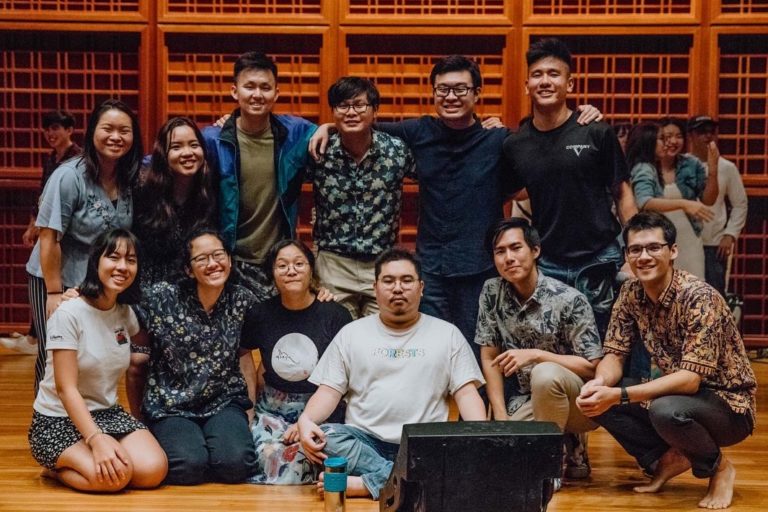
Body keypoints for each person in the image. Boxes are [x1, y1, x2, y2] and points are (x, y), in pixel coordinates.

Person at [310, 55, 602, 362]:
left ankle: (476, 410)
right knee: (427, 351)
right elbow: (361, 123)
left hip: (480, 267)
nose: (451, 97)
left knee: (476, 352)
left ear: (477, 93)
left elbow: (529, 172)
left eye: (461, 89)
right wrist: (328, 126)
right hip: (431, 266)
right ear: (433, 93)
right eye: (443, 90)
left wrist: (581, 113)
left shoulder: (498, 139)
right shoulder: (418, 132)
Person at [576, 211, 756, 510]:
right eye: (635, 249)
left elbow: (690, 380)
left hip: (729, 406)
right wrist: (599, 383)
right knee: (596, 400)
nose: (644, 256)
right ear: (627, 255)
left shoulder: (699, 297)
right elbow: (614, 354)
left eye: (653, 247)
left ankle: (719, 468)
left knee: (664, 409)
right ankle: (670, 457)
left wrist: (619, 394)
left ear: (673, 251)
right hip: (677, 396)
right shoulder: (631, 292)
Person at [297, 248, 486, 501]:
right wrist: (305, 422)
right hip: (365, 443)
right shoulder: (352, 333)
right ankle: (408, 483)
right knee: (328, 437)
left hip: (422, 444)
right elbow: (329, 392)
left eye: (406, 280)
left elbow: (466, 394)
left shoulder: (447, 334)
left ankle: (370, 484)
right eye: (388, 281)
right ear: (375, 287)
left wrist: (482, 437)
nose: (398, 288)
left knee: (459, 449)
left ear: (421, 287)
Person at [502, 38, 637, 340]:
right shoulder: (515, 144)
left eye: (554, 73)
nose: (545, 81)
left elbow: (623, 193)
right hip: (547, 262)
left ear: (570, 84)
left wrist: (633, 251)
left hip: (601, 257)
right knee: (557, 348)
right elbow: (508, 194)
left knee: (613, 344)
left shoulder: (596, 131)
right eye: (537, 74)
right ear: (526, 86)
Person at [28, 228, 167, 492]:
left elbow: (145, 346)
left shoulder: (125, 313)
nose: (122, 266)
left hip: (107, 412)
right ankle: (54, 469)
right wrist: (96, 438)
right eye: (113, 257)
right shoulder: (68, 313)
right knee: (115, 478)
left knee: (152, 471)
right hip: (57, 419)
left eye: (131, 260)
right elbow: (65, 388)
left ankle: (88, 457)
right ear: (96, 262)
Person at [25, 99, 142, 393]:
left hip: (92, 279)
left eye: (124, 131)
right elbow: (48, 236)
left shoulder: (129, 176)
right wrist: (53, 293)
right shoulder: (68, 176)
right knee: (55, 352)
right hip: (53, 278)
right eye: (108, 129)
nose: (116, 137)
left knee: (89, 352)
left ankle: (85, 417)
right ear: (92, 132)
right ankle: (47, 421)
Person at [127, 228, 258, 485]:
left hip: (223, 401)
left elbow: (246, 357)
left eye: (219, 255)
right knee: (187, 467)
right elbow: (118, 301)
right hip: (171, 405)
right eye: (202, 259)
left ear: (230, 260)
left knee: (237, 464)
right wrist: (77, 294)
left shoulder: (243, 300)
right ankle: (196, 447)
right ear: (188, 269)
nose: (213, 264)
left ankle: (212, 446)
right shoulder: (162, 298)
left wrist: (250, 411)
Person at [476, 218, 602, 482]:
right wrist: (499, 416)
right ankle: (565, 440)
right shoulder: (491, 292)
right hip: (527, 400)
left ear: (535, 251)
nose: (509, 258)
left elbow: (593, 367)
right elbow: (489, 355)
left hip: (580, 401)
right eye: (500, 252)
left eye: (516, 248)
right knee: (496, 454)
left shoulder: (569, 299)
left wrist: (537, 355)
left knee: (544, 373)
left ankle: (548, 467)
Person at [203, 52, 316, 301]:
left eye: (265, 88)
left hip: (278, 261)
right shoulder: (213, 139)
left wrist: (329, 127)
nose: (257, 94)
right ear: (235, 92)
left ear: (276, 93)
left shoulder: (295, 133)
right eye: (249, 87)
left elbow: (333, 133)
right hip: (229, 260)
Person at [240, 239, 352, 484]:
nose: (291, 271)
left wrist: (309, 420)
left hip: (321, 407)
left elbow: (344, 374)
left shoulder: (335, 314)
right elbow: (245, 356)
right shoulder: (260, 314)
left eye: (299, 264)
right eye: (282, 265)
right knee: (266, 457)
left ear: (311, 269)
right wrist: (249, 411)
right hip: (273, 410)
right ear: (272, 272)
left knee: (315, 453)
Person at [307, 77, 415, 318]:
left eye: (359, 105)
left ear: (375, 110)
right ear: (333, 112)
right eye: (343, 106)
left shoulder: (396, 151)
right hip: (333, 264)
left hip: (380, 263)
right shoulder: (319, 150)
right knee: (338, 340)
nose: (351, 112)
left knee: (380, 341)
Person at [2, 111, 81, 355]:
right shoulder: (51, 158)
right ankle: (35, 337)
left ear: (69, 130)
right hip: (48, 227)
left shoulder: (76, 159)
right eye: (47, 129)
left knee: (55, 285)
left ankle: (40, 338)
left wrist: (43, 224)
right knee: (39, 278)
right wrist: (32, 223)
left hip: (66, 233)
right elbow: (42, 195)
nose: (50, 134)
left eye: (56, 128)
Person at [628, 118, 719, 279]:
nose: (671, 141)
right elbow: (644, 201)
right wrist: (684, 204)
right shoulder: (646, 167)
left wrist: (713, 170)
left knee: (691, 288)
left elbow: (709, 200)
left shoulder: (691, 164)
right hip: (657, 237)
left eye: (678, 136)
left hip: (688, 238)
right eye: (664, 137)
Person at [133, 116, 216, 289]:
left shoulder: (209, 189)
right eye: (176, 147)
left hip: (192, 288)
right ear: (163, 153)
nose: (188, 153)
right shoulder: (143, 188)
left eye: (194, 145)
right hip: (148, 289)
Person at [687, 115, 748, 296]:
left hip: (713, 243)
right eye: (701, 132)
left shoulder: (727, 167)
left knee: (714, 297)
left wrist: (730, 234)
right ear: (691, 135)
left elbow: (740, 204)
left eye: (711, 132)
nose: (707, 137)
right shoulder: (682, 164)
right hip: (685, 242)